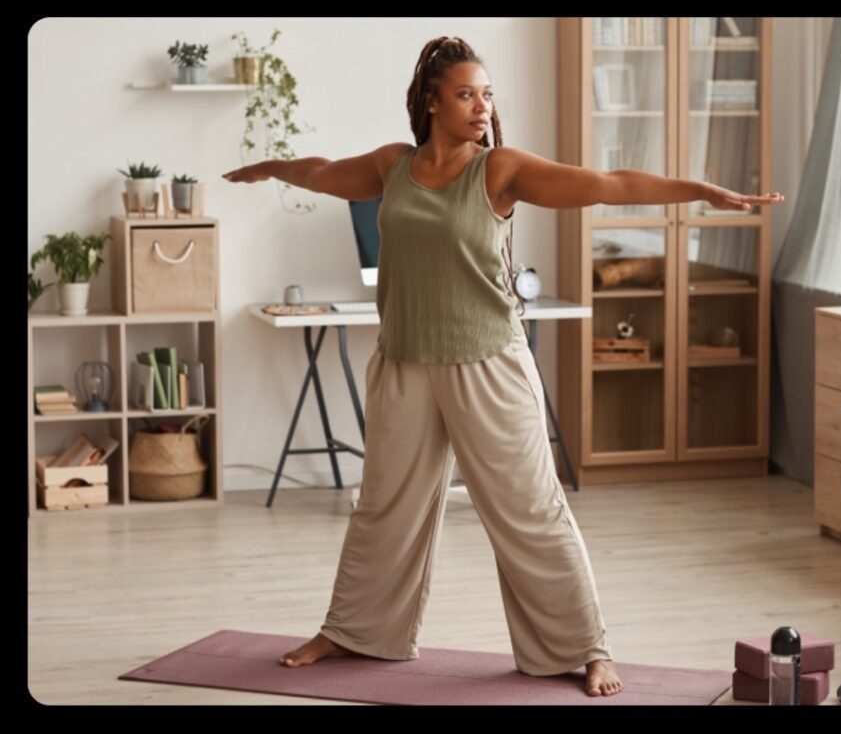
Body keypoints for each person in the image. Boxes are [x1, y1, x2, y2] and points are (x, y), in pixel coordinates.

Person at [223, 35, 784, 698]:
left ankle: (585, 648)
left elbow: (608, 184)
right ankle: (355, 631)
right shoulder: (391, 167)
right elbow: (318, 172)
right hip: (404, 361)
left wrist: (700, 190)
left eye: (487, 94)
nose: (482, 107)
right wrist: (269, 168)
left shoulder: (499, 170)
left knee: (530, 510)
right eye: (466, 94)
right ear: (432, 101)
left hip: (488, 360)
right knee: (384, 507)